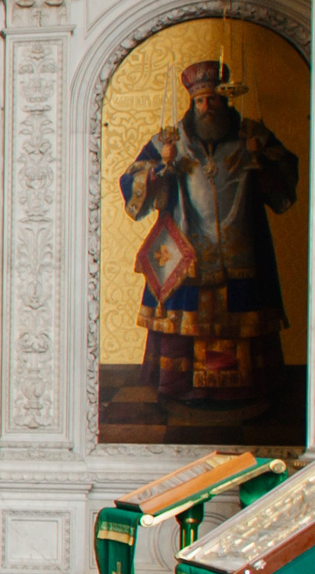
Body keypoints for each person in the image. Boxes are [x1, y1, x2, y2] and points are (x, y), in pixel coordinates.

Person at [120, 61, 301, 406]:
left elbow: (285, 179)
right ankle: (182, 387)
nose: (207, 107)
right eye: (200, 101)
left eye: (214, 99)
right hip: (187, 247)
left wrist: (260, 160)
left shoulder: (252, 136)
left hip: (242, 246)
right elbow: (132, 182)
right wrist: (162, 168)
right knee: (185, 316)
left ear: (226, 99)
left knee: (243, 314)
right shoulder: (169, 140)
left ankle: (242, 388)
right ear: (191, 103)